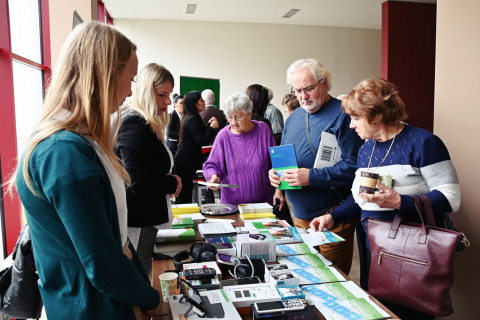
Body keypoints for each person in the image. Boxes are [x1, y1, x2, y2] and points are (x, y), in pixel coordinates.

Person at [9, 21, 159, 319]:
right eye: (129, 79)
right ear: (104, 76)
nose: (130, 92)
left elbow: (111, 241)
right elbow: (103, 264)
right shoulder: (65, 153)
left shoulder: (76, 142)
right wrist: (152, 298)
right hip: (92, 307)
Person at [309, 78, 461, 320]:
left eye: (356, 118)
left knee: (408, 313)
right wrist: (332, 216)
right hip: (373, 246)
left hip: (409, 252)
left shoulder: (424, 142)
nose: (351, 126)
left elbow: (451, 198)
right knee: (380, 310)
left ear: (376, 116)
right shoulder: (367, 148)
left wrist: (400, 202)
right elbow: (362, 199)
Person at [268, 58, 363, 275]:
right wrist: (277, 182)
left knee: (332, 279)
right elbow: (285, 157)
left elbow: (355, 166)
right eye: (297, 90)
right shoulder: (293, 118)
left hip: (332, 215)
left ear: (324, 83)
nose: (302, 96)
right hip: (300, 214)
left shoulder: (343, 114)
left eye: (308, 88)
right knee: (307, 275)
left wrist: (310, 177)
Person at [116, 63, 182, 276]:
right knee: (140, 274)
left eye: (169, 94)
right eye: (162, 94)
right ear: (146, 91)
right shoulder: (135, 123)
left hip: (143, 218)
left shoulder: (142, 121)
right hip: (138, 220)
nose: (168, 101)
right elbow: (138, 180)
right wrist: (173, 182)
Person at [203, 92, 276, 205]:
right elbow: (211, 164)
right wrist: (214, 176)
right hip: (233, 205)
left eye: (238, 117)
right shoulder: (223, 136)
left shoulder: (263, 130)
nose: (233, 122)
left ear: (249, 114)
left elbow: (276, 162)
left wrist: (279, 190)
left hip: (264, 205)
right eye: (230, 117)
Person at [174, 91, 219, 203]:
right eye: (201, 100)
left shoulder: (194, 117)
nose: (204, 102)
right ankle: (186, 219)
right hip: (185, 163)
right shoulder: (192, 118)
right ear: (194, 104)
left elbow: (201, 135)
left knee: (187, 193)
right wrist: (212, 128)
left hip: (186, 162)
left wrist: (209, 125)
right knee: (185, 195)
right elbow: (201, 141)